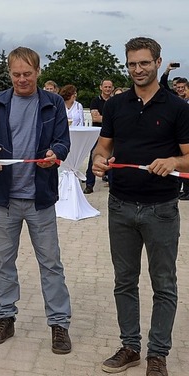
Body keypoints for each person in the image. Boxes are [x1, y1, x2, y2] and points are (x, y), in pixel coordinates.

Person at [92, 37, 189, 376]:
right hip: (120, 207)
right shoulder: (116, 105)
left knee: (164, 284)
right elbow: (101, 149)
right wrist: (99, 161)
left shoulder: (178, 107)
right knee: (124, 281)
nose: (138, 69)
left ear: (158, 63)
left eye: (144, 63)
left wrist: (173, 160)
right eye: (132, 63)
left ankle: (158, 355)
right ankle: (130, 347)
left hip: (161, 209)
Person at [0, 46, 72, 355]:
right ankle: (5, 317)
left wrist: (56, 153)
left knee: (51, 264)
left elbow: (63, 141)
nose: (22, 80)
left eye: (27, 74)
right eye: (16, 74)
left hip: (40, 198)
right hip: (4, 198)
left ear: (38, 72)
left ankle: (59, 324)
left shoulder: (53, 103)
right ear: (10, 74)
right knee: (3, 263)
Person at [84, 79, 114, 194]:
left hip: (111, 135)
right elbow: (95, 118)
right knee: (93, 158)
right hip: (97, 134)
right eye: (105, 86)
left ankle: (112, 185)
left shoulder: (115, 101)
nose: (107, 89)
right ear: (100, 87)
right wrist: (111, 118)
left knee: (111, 159)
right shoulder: (95, 101)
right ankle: (89, 184)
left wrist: (104, 118)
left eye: (109, 87)